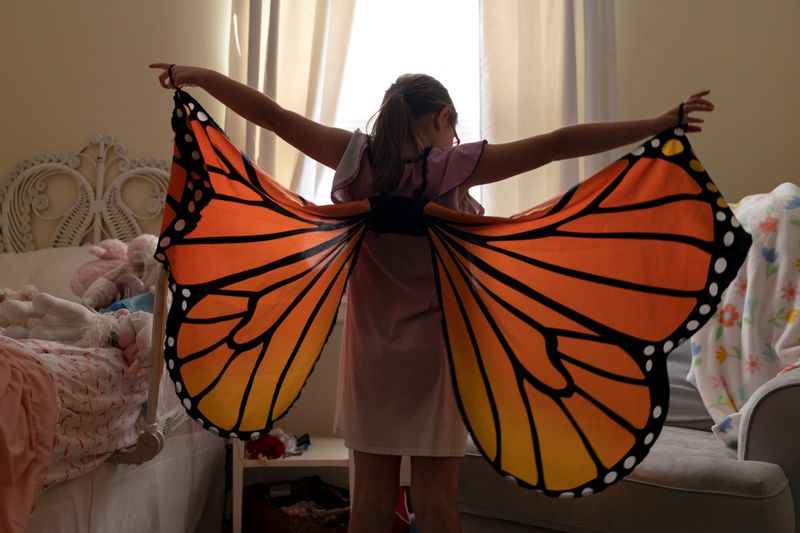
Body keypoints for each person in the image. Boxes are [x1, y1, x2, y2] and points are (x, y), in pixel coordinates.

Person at [151, 63, 714, 532]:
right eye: (454, 126)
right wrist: (659, 123)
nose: (455, 137)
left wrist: (198, 77)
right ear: (442, 117)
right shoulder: (450, 166)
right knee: (438, 503)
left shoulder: (354, 159)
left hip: (372, 355)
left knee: (369, 503)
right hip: (438, 356)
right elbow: (559, 145)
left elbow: (271, 117)